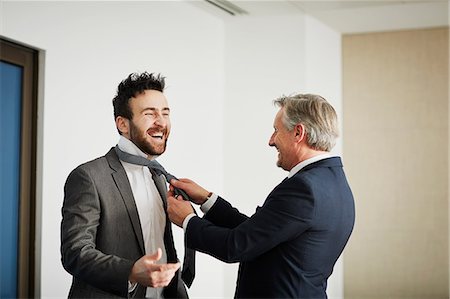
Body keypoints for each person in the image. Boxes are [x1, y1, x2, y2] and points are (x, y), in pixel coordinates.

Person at [166, 93, 355, 298]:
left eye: (276, 131)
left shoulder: (304, 188)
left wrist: (187, 220)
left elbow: (235, 246)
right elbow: (259, 234)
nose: (271, 141)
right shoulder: (334, 181)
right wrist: (207, 199)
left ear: (298, 133)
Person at [61, 72, 190, 298]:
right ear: (123, 124)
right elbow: (76, 252)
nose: (161, 122)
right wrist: (129, 272)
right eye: (150, 114)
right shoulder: (88, 176)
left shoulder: (160, 177)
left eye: (165, 113)